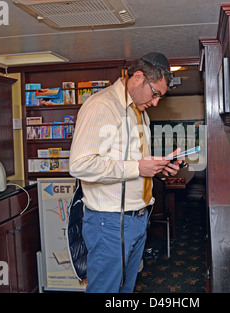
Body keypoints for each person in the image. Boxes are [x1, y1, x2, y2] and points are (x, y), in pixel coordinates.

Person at [69, 52, 184, 293]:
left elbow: (134, 162)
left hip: (138, 218)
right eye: (155, 94)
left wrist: (161, 169)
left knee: (125, 290)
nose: (155, 103)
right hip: (109, 222)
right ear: (138, 78)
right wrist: (138, 167)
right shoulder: (101, 106)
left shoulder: (138, 111)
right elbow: (80, 165)